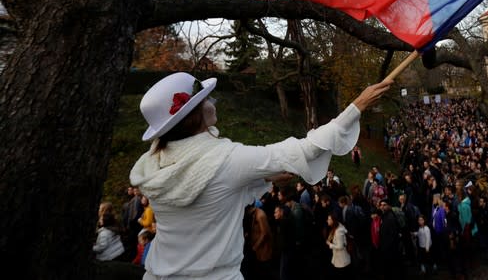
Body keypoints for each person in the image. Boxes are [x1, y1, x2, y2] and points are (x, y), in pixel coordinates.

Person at [129, 71, 392, 279]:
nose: (212, 102)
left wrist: (265, 178)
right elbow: (307, 149)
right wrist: (358, 105)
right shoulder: (225, 159)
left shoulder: (153, 164)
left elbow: (212, 196)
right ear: (194, 114)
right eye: (205, 99)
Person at [326, 213, 351, 277]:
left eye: (329, 219)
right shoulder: (337, 226)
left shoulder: (338, 232)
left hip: (341, 259)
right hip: (340, 258)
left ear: (333, 221)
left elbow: (340, 246)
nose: (327, 221)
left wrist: (330, 244)